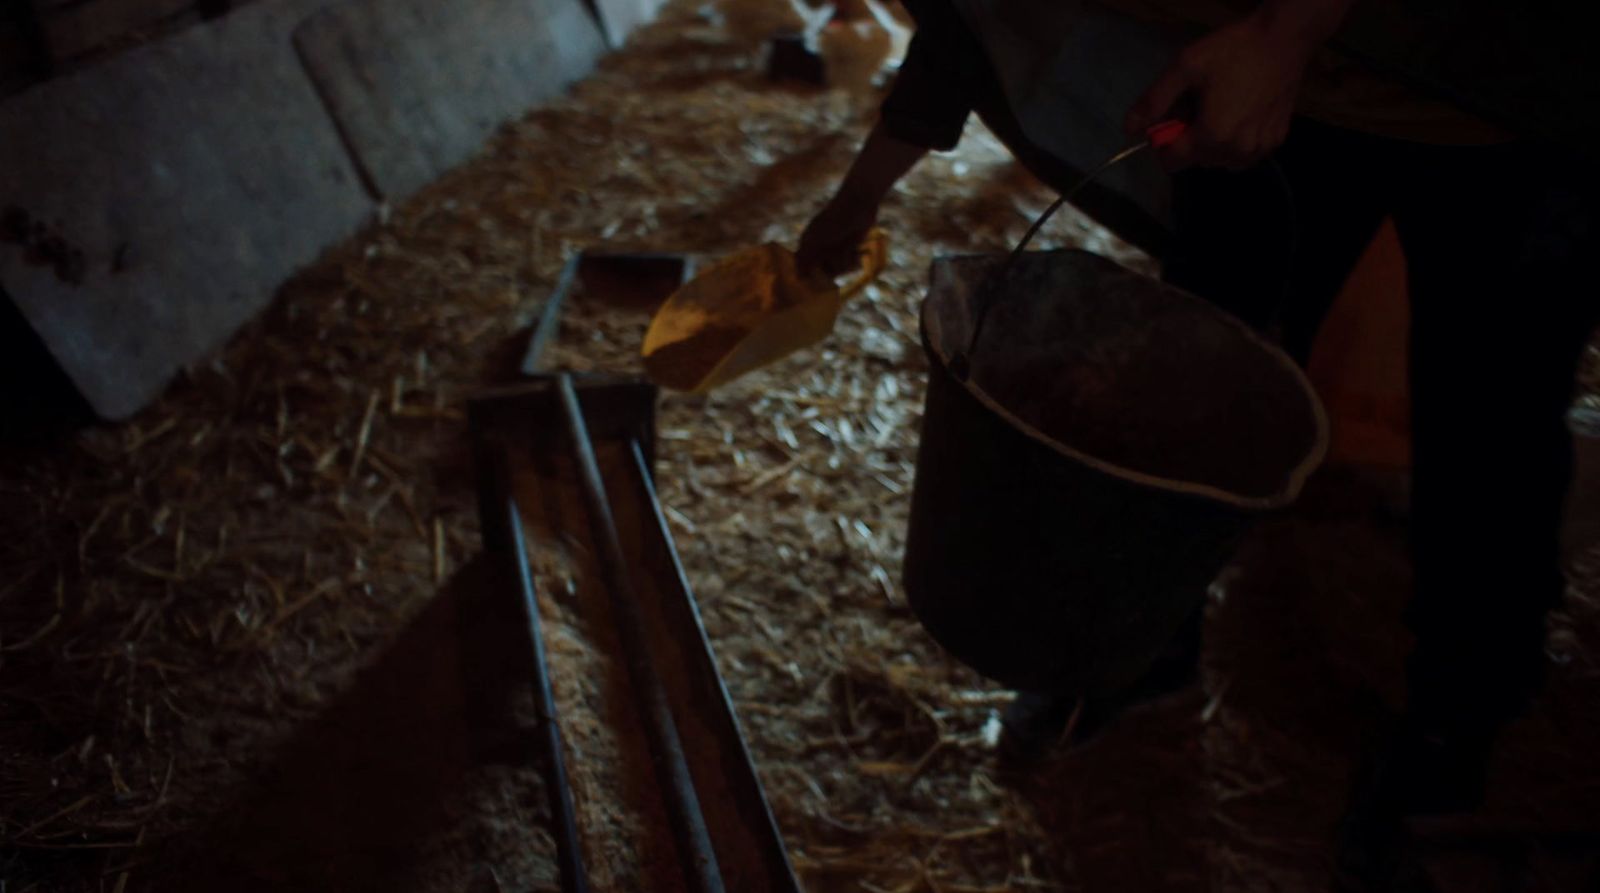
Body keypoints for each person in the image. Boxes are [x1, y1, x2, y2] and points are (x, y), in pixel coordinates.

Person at [796, 0, 1599, 886]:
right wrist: (863, 190)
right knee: (1189, 362)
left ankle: (1458, 727)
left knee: (1491, 420)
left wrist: (1289, 30)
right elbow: (975, 15)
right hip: (1294, 97)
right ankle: (1144, 644)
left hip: (1514, 100)